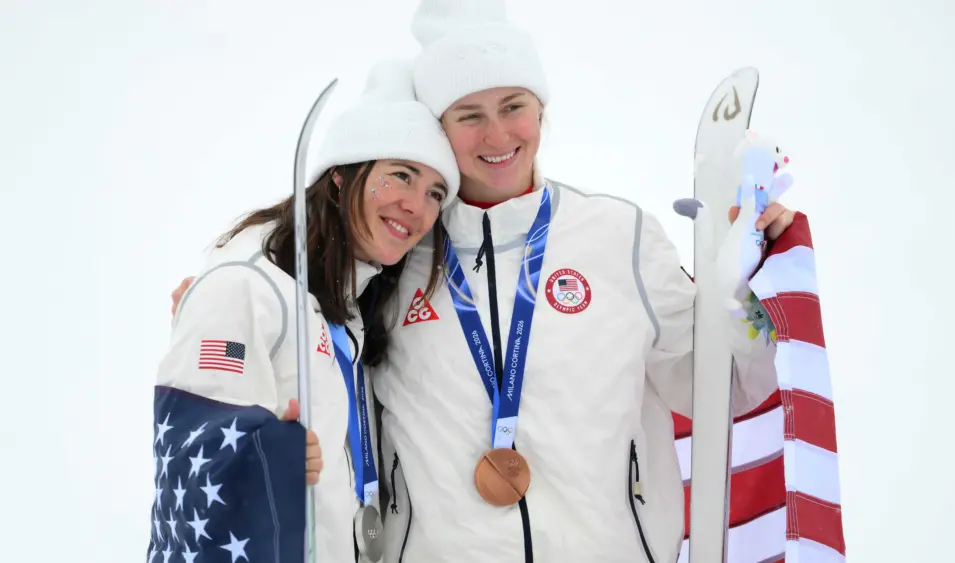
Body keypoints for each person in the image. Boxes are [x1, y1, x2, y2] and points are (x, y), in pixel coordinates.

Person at [170, 3, 800, 562]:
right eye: (468, 115)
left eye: (514, 107)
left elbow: (725, 385)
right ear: (437, 128)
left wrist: (753, 275)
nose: (497, 136)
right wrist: (219, 309)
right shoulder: (399, 253)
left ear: (542, 110)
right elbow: (301, 316)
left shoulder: (619, 235)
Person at [151, 58, 459, 563]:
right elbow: (186, 466)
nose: (417, 207)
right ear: (340, 176)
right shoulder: (245, 287)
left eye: (435, 193)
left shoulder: (348, 305)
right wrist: (266, 452)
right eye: (400, 175)